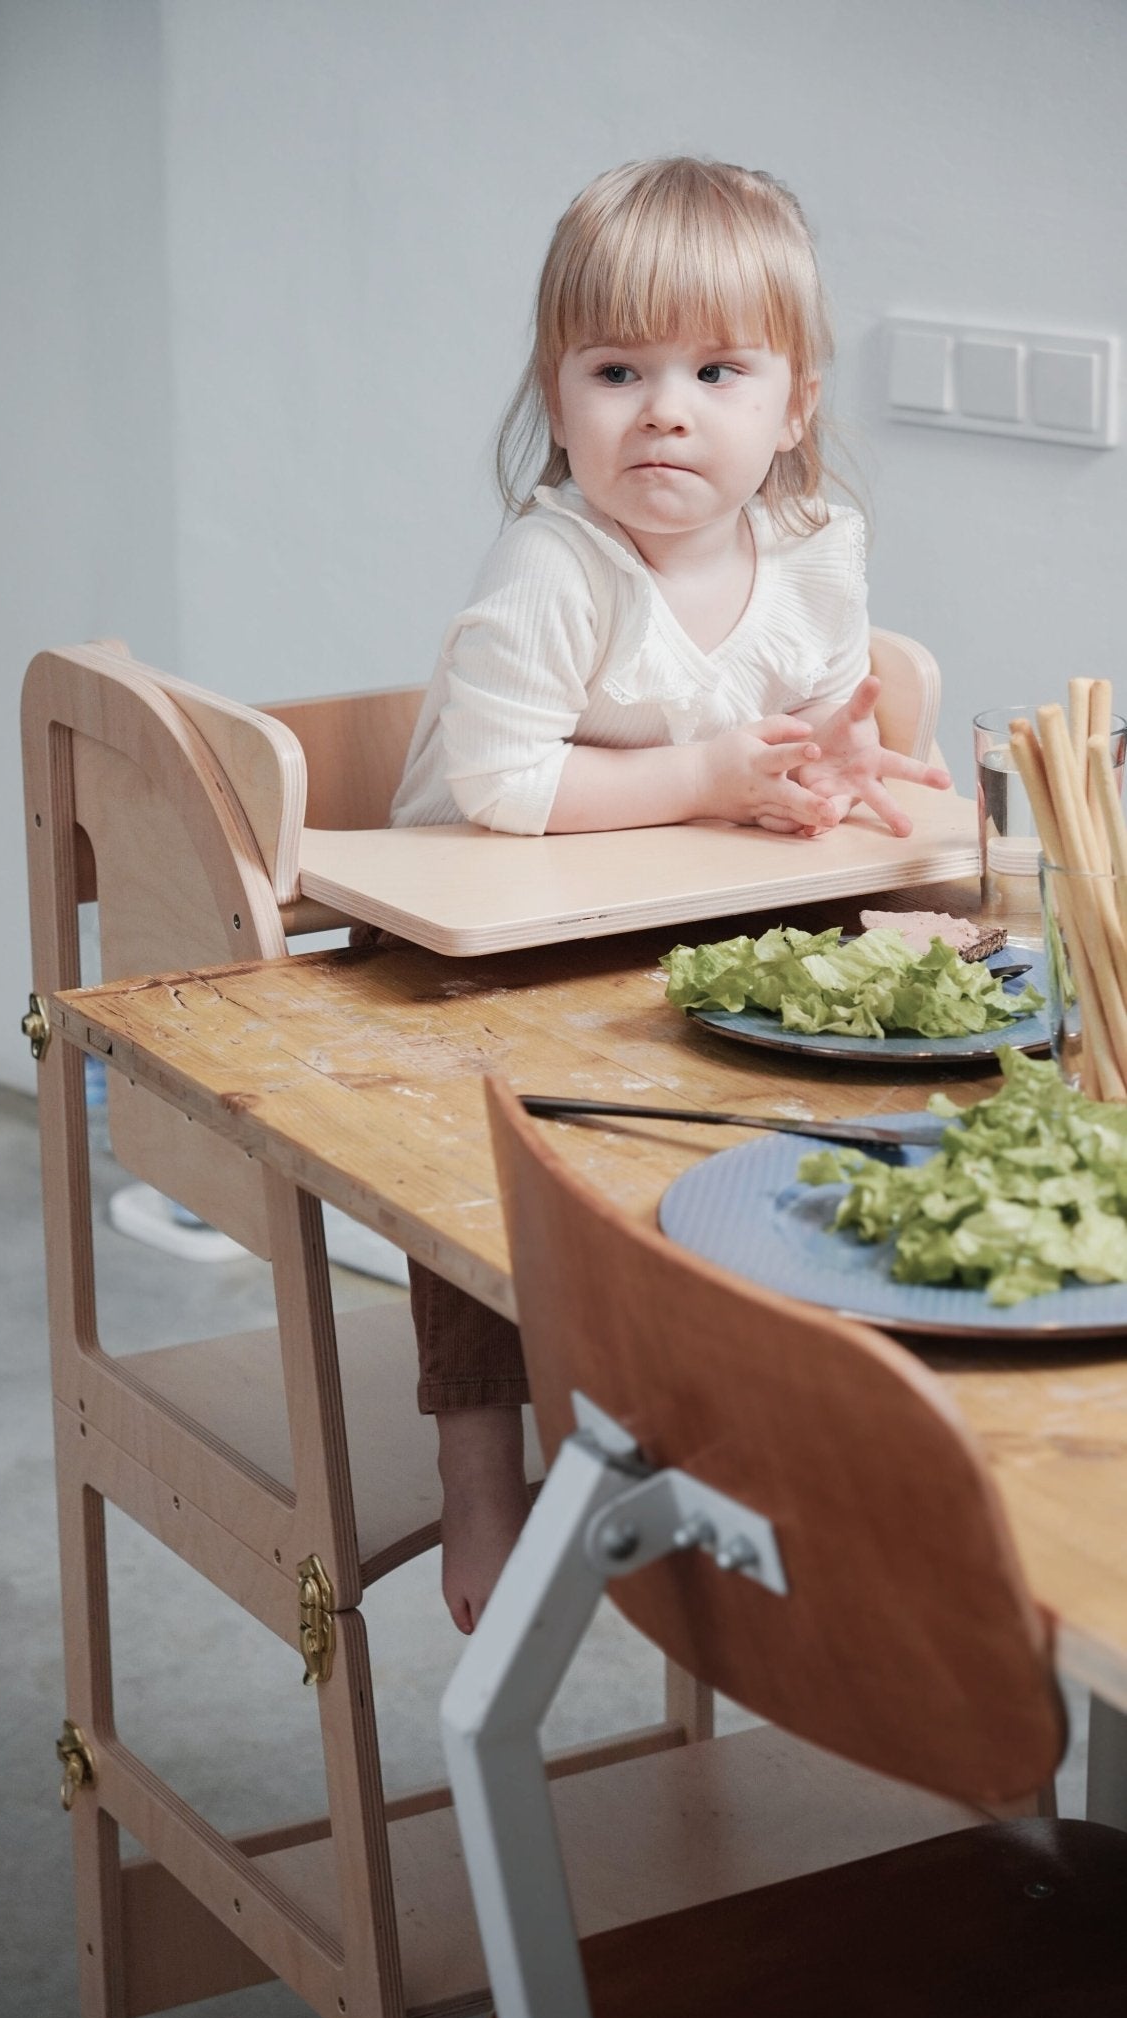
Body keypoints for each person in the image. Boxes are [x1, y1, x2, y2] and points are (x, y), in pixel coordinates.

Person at [390, 156, 950, 1633]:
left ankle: (767, 1400)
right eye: (616, 368)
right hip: (486, 938)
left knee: (833, 1090)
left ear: (794, 402)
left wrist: (839, 775)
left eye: (716, 369)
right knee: (471, 1147)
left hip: (680, 917)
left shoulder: (818, 550)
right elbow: (503, 787)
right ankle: (478, 1465)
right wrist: (707, 777)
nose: (664, 408)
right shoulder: (552, 565)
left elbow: (823, 716)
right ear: (555, 391)